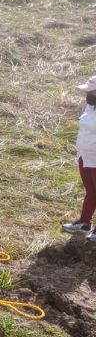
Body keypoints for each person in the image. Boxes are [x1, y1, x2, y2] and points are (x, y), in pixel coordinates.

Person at [62, 75, 96, 242]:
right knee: (91, 191)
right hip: (85, 155)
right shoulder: (90, 106)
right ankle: (84, 223)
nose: (88, 95)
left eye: (91, 92)